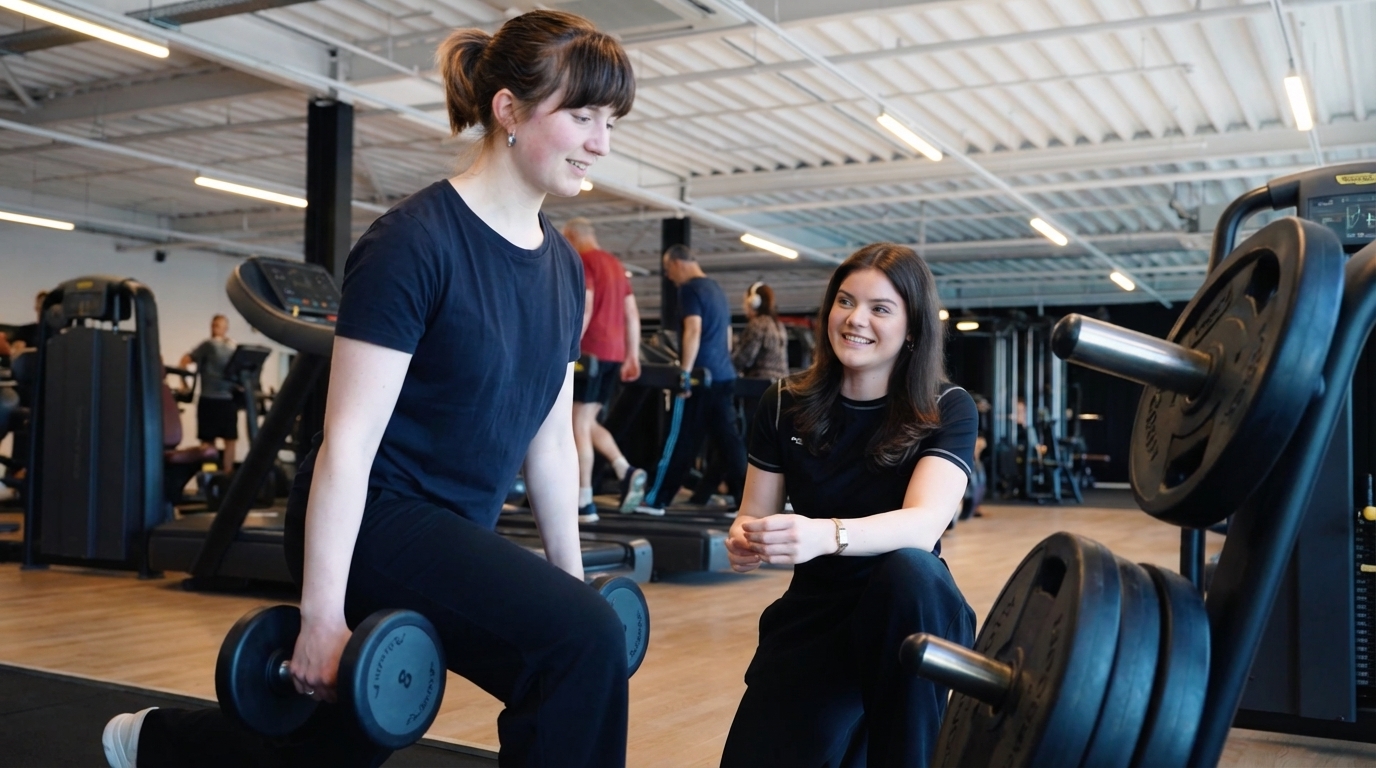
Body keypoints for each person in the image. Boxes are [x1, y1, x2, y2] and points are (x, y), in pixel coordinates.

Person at [102, 10, 636, 768]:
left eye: (610, 121)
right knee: (578, 647)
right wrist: (321, 616)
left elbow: (548, 441)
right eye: (580, 116)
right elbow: (346, 446)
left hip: (453, 533)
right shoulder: (414, 242)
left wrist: (573, 583)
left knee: (338, 742)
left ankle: (160, 746)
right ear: (508, 109)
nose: (601, 143)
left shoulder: (560, 272)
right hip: (375, 524)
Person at [721, 243, 978, 767]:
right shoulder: (782, 403)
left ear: (912, 329)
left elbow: (925, 524)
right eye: (845, 301)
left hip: (908, 614)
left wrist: (825, 535)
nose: (855, 319)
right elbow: (753, 510)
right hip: (816, 614)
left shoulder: (947, 407)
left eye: (880, 308)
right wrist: (746, 535)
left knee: (913, 569)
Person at [637, 244, 747, 514]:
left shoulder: (689, 289)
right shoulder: (716, 290)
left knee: (680, 440)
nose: (669, 277)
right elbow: (728, 335)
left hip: (700, 378)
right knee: (729, 443)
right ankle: (749, 504)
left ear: (677, 263)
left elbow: (693, 329)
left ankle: (656, 500)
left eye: (667, 270)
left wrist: (684, 374)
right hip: (723, 376)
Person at [562, 216, 647, 522]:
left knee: (577, 425)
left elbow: (585, 306)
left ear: (572, 236)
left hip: (591, 352)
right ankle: (624, 469)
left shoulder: (585, 261)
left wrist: (569, 345)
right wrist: (632, 355)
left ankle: (584, 501)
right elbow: (632, 314)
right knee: (587, 419)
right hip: (614, 355)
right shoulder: (615, 265)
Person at [179, 314, 239, 474]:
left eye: (218, 326)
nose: (214, 329)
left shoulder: (233, 346)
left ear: (226, 328)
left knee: (230, 440)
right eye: (213, 325)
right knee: (207, 443)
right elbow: (185, 360)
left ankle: (227, 477)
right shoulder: (207, 345)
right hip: (208, 400)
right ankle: (207, 479)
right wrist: (184, 383)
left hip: (227, 400)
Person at [733, 281, 789, 381]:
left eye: (745, 302)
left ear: (753, 303)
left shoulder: (757, 324)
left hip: (761, 384)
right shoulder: (779, 325)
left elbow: (744, 358)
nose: (743, 307)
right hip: (781, 383)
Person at [5, 290, 48, 356]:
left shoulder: (57, 333)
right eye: (40, 303)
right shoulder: (26, 331)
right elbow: (16, 353)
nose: (43, 308)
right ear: (36, 307)